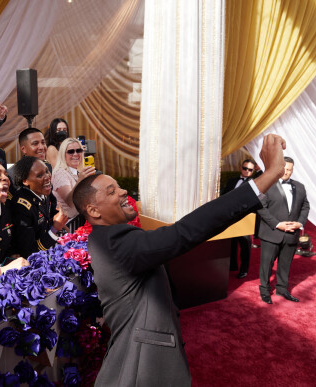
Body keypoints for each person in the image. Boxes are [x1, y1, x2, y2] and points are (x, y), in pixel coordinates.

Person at [71, 134, 286, 386]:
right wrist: (268, 175)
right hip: (141, 371)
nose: (123, 191)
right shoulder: (114, 242)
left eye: (118, 186)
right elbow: (184, 233)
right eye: (112, 191)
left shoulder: (107, 238)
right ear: (94, 211)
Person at [258, 156, 310, 304]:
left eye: (289, 169)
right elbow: (260, 207)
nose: (286, 172)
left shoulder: (300, 187)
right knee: (266, 264)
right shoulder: (267, 185)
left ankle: (282, 289)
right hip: (271, 233)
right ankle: (265, 290)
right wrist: (277, 224)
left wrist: (299, 223)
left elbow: (305, 207)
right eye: (284, 169)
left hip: (291, 234)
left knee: (285, 264)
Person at [11, 156, 68, 258]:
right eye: (39, 175)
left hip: (47, 250)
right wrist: (55, 228)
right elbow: (29, 251)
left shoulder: (45, 191)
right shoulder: (22, 206)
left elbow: (53, 215)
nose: (47, 177)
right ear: (25, 181)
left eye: (47, 171)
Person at [51, 138, 95, 232]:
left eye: (78, 150)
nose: (75, 154)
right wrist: (81, 180)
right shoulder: (60, 173)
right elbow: (69, 201)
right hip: (67, 228)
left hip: (79, 223)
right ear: (63, 155)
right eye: (71, 151)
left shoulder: (76, 172)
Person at [221, 159, 255, 278]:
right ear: (241, 168)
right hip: (229, 216)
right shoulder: (232, 181)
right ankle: (232, 265)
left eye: (250, 170)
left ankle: (244, 269)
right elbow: (224, 196)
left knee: (245, 244)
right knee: (231, 242)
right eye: (245, 168)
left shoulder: (255, 184)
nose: (247, 171)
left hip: (244, 218)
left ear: (253, 171)